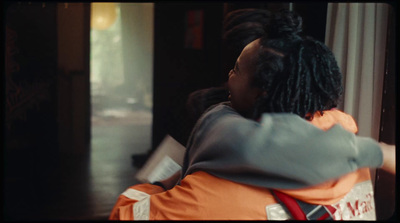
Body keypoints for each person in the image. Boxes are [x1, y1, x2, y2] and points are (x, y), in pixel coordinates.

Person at [110, 10, 395, 220]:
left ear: (261, 93)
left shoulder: (209, 191)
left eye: (235, 69)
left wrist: (165, 182)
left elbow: (125, 215)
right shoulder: (350, 153)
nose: (228, 76)